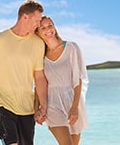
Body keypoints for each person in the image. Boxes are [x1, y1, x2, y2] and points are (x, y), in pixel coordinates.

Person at [0, 0, 48, 145]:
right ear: (25, 17)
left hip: (27, 107)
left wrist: (43, 105)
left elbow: (39, 77)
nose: (38, 25)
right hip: (2, 105)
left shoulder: (37, 43)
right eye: (37, 20)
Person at [35, 15, 88, 145]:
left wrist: (74, 107)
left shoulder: (71, 48)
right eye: (43, 28)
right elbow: (39, 84)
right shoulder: (39, 56)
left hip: (72, 101)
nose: (48, 30)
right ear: (38, 32)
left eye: (50, 25)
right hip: (51, 103)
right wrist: (36, 108)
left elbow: (78, 79)